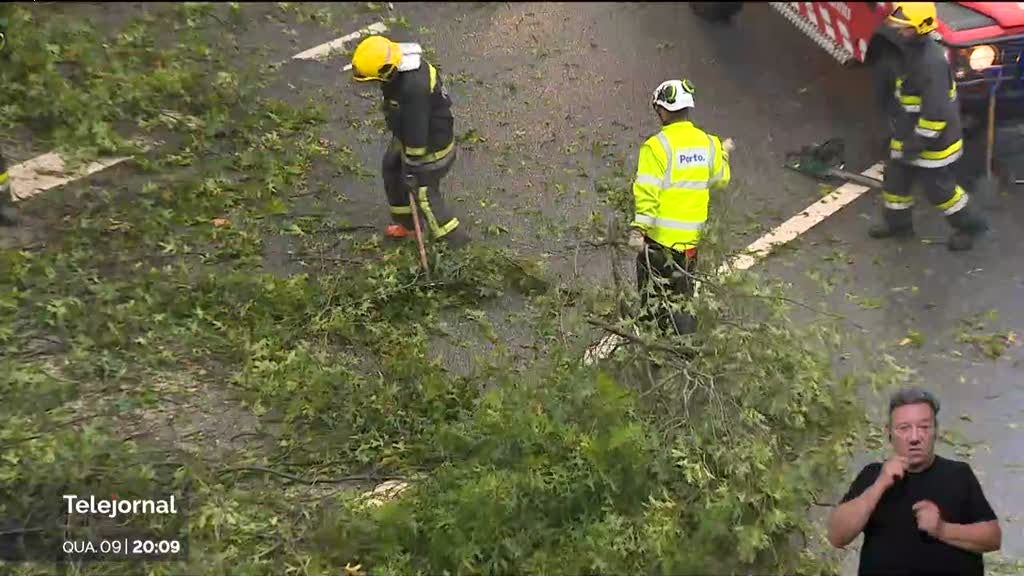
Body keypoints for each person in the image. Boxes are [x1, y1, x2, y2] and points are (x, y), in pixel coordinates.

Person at [827, 386, 1002, 575]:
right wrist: (879, 486)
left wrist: (942, 529)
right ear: (889, 433)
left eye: (924, 427)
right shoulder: (872, 475)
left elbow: (992, 538)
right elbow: (837, 536)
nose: (914, 437)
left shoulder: (958, 474)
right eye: (904, 428)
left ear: (935, 431)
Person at [869, 2, 988, 251]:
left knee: (940, 191)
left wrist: (919, 140)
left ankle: (970, 227)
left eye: (905, 28)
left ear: (920, 29)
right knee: (895, 182)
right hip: (907, 132)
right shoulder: (907, 50)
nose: (899, 31)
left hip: (934, 141)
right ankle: (898, 224)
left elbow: (937, 112)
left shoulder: (931, 63)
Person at [628, 78, 732, 334]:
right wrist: (723, 153)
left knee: (653, 301)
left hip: (659, 245)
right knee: (681, 299)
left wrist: (639, 230)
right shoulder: (709, 144)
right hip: (690, 246)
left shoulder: (656, 147)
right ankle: (687, 349)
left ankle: (653, 350)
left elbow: (647, 192)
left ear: (662, 111)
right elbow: (721, 178)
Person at [349, 35, 468, 247]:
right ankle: (409, 226)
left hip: (430, 149)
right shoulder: (398, 65)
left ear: (388, 71)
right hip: (409, 136)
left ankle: (456, 244)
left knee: (424, 193)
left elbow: (417, 130)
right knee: (392, 168)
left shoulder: (413, 89)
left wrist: (413, 165)